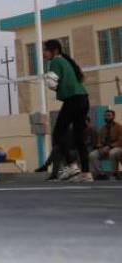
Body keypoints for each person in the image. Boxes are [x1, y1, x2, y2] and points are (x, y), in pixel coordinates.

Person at [44, 39, 92, 182]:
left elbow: (51, 82)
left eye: (46, 50)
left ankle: (72, 165)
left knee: (58, 134)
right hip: (83, 98)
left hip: (73, 99)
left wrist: (47, 79)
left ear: (54, 50)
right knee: (79, 138)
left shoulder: (55, 61)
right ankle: (86, 173)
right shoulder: (67, 61)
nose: (44, 53)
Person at [88, 110, 122, 180]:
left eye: (109, 115)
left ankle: (114, 173)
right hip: (104, 149)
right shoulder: (102, 129)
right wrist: (100, 148)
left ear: (113, 116)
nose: (107, 117)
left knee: (113, 153)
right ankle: (101, 174)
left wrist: (110, 146)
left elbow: (120, 140)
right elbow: (99, 141)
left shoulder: (119, 127)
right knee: (92, 155)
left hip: (117, 148)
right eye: (105, 116)